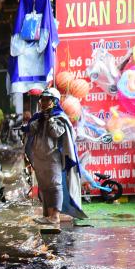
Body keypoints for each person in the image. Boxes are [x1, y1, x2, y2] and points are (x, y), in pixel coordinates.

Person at [24, 87, 87, 227]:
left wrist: (50, 120)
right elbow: (32, 130)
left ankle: (55, 216)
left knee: (55, 185)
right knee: (44, 186)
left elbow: (57, 133)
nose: (44, 102)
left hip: (53, 157)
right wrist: (30, 124)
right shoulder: (39, 117)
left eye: (47, 99)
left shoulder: (60, 117)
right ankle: (47, 215)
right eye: (43, 99)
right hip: (39, 157)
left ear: (54, 101)